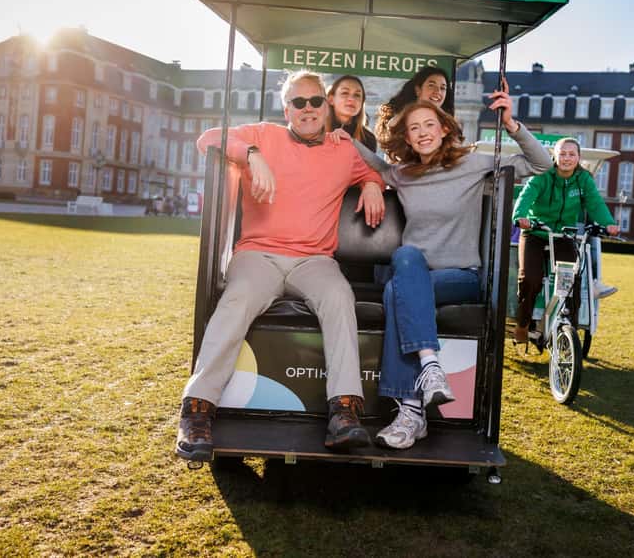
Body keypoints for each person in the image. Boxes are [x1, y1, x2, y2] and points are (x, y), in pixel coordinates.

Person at [176, 70, 386, 462]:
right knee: (237, 298)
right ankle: (197, 409)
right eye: (298, 103)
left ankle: (344, 411)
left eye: (315, 101)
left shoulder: (344, 148)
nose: (307, 109)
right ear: (286, 108)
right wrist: (252, 155)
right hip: (260, 255)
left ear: (326, 105)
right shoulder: (264, 136)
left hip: (314, 260)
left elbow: (377, 171)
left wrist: (372, 182)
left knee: (340, 296)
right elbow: (208, 139)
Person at [330, 81, 552, 449]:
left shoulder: (473, 163)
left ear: (444, 128)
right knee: (404, 265)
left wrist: (512, 124)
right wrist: (343, 136)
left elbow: (541, 165)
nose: (422, 133)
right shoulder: (403, 175)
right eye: (414, 128)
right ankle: (426, 379)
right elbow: (374, 165)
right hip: (413, 277)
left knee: (399, 278)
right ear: (408, 138)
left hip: (459, 276)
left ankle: (411, 409)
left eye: (428, 125)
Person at [512, 137, 620, 349]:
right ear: (555, 156)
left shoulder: (583, 180)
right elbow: (526, 196)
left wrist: (608, 224)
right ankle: (523, 324)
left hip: (564, 235)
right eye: (562, 153)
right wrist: (520, 216)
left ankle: (570, 326)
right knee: (530, 279)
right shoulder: (542, 175)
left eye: (572, 154)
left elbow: (595, 202)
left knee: (571, 280)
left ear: (579, 158)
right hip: (536, 232)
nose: (567, 158)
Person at [374, 66, 453, 139]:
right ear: (418, 90)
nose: (438, 91)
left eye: (442, 88)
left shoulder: (448, 123)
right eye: (431, 85)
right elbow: (391, 128)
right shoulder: (401, 117)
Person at [326, 74, 378, 152]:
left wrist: (352, 143)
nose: (351, 99)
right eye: (345, 93)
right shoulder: (316, 130)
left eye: (357, 95)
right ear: (331, 99)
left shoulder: (368, 138)